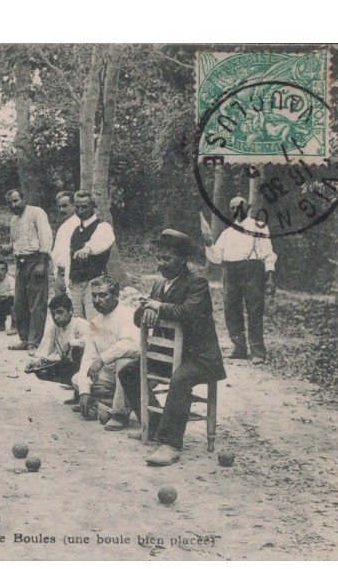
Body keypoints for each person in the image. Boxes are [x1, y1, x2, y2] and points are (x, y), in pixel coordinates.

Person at [118, 230, 226, 466]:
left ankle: (170, 444)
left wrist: (159, 307)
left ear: (183, 259)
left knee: (180, 379)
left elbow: (189, 313)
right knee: (127, 371)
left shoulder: (197, 284)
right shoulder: (158, 286)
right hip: (168, 355)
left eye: (167, 259)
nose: (161, 264)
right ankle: (155, 426)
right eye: (159, 258)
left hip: (200, 358)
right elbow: (141, 318)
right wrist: (145, 311)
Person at [203, 195, 277, 364]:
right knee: (231, 309)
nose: (235, 210)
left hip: (252, 270)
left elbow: (268, 253)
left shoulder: (259, 227)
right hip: (230, 272)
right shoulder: (227, 232)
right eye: (232, 208)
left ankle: (258, 351)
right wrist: (208, 244)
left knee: (254, 310)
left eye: (239, 206)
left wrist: (270, 276)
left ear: (247, 207)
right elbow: (216, 258)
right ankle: (239, 348)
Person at [72, 275, 139, 431]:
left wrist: (102, 359)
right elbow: (88, 357)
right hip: (111, 376)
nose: (97, 300)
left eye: (102, 295)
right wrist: (83, 393)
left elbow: (131, 346)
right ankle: (125, 404)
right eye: (94, 295)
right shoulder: (95, 322)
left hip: (135, 373)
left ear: (116, 296)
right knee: (78, 380)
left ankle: (119, 414)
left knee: (124, 362)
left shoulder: (128, 314)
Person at [3, 188, 53, 353]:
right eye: (10, 202)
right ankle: (24, 339)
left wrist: (42, 262)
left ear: (23, 199)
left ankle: (35, 342)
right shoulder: (13, 220)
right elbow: (18, 242)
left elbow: (45, 237)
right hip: (20, 263)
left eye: (16, 200)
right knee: (20, 303)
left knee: (37, 303)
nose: (13, 205)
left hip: (35, 260)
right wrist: (8, 248)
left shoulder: (36, 213)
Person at [68, 190, 116, 319]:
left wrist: (88, 249)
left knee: (95, 322)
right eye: (77, 207)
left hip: (94, 284)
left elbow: (100, 243)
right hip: (77, 284)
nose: (80, 210)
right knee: (78, 323)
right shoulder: (76, 231)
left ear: (94, 207)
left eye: (84, 207)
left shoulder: (103, 227)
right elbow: (70, 257)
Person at [23, 294, 83, 384]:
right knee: (40, 371)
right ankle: (72, 382)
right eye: (53, 314)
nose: (56, 317)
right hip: (69, 365)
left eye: (60, 312)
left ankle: (80, 383)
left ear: (71, 311)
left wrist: (70, 343)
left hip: (85, 365)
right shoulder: (54, 327)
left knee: (76, 350)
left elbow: (91, 342)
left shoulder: (80, 323)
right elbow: (45, 351)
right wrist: (36, 363)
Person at [50, 191, 79, 295]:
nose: (61, 209)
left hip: (70, 273)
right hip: (59, 273)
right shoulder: (64, 225)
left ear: (74, 206)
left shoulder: (78, 223)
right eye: (59, 207)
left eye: (65, 206)